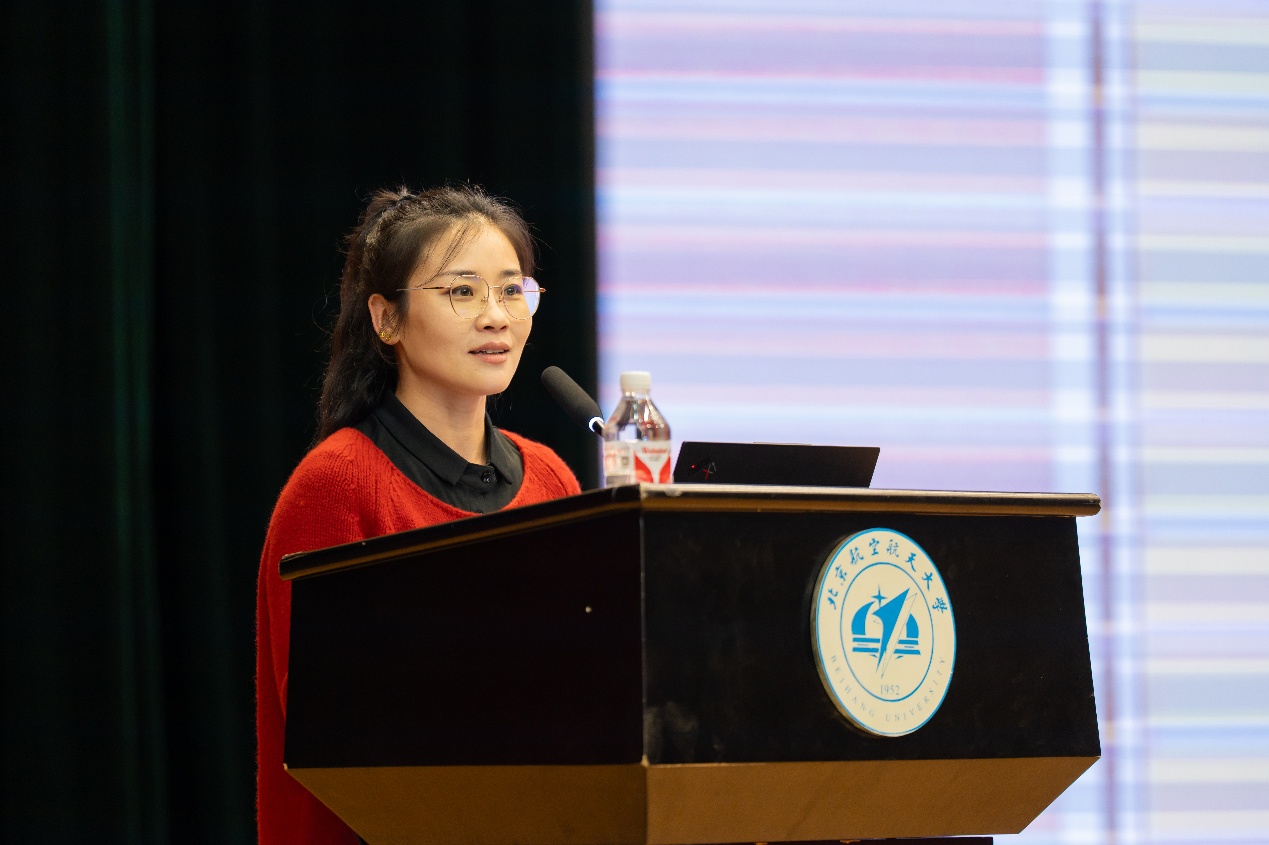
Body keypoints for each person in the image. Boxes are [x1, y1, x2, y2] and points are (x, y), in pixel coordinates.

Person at [255, 186, 581, 845]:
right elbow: (339, 738)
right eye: (462, 291)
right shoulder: (335, 485)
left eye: (512, 290)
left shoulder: (551, 478)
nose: (496, 316)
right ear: (387, 319)